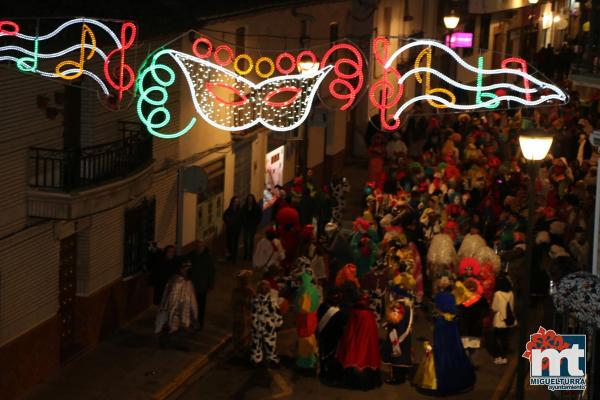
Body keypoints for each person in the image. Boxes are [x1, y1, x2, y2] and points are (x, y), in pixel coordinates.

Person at [336, 292, 382, 390]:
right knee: (366, 358)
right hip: (366, 342)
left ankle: (352, 382)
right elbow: (372, 332)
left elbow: (350, 329)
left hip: (354, 341)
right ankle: (365, 383)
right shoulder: (369, 314)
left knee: (353, 357)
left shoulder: (353, 312)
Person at [154, 261, 198, 336]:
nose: (185, 271)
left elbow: (191, 298)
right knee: (169, 319)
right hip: (172, 307)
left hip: (183, 308)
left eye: (187, 269)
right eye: (183, 269)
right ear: (180, 269)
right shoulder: (175, 280)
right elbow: (170, 295)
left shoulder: (189, 282)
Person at [251, 280, 284, 367]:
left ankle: (256, 358)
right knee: (270, 343)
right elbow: (277, 314)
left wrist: (253, 323)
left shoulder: (255, 300)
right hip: (268, 325)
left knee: (256, 343)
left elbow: (253, 313)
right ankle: (272, 358)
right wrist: (278, 323)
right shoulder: (272, 301)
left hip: (257, 325)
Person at [316, 289, 346, 384]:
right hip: (333, 337)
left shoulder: (321, 306)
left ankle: (323, 372)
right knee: (332, 356)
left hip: (322, 334)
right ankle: (331, 375)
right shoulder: (338, 311)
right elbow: (341, 325)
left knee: (322, 353)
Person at [294, 272, 320, 371]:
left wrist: (296, 309)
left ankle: (305, 363)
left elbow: (304, 308)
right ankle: (312, 359)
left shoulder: (304, 291)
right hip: (312, 317)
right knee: (311, 338)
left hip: (305, 319)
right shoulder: (314, 289)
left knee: (305, 340)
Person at [188, 240, 215, 331]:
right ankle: (193, 322)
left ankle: (199, 323)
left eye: (200, 246)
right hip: (193, 285)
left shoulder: (208, 257)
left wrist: (210, 286)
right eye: (197, 245)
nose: (199, 247)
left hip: (202, 286)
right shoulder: (193, 255)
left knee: (201, 306)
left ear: (204, 246)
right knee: (192, 305)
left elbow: (211, 272)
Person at [491, 274, 517, 365]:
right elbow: (512, 306)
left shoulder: (497, 294)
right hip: (508, 320)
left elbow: (494, 307)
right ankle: (504, 356)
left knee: (497, 339)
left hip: (499, 320)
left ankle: (500, 356)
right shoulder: (511, 293)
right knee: (505, 339)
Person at [232, 270, 255, 361]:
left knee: (239, 335)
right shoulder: (249, 292)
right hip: (244, 317)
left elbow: (233, 303)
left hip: (239, 316)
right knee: (243, 335)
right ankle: (241, 354)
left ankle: (238, 353)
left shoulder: (237, 291)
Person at [241, 194, 263, 261]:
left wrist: (256, 223)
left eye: (251, 199)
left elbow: (260, 215)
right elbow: (242, 215)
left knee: (251, 240)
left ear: (253, 199)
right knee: (245, 240)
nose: (250, 200)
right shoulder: (245, 207)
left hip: (252, 226)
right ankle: (245, 254)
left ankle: (250, 255)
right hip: (246, 226)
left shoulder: (256, 207)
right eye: (248, 199)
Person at [223, 196, 242, 262]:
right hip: (230, 229)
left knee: (235, 244)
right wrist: (228, 222)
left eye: (237, 201)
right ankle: (229, 257)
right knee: (229, 244)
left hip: (237, 230)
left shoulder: (239, 210)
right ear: (232, 202)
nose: (236, 203)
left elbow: (241, 219)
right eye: (235, 201)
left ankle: (234, 258)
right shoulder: (229, 210)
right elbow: (224, 216)